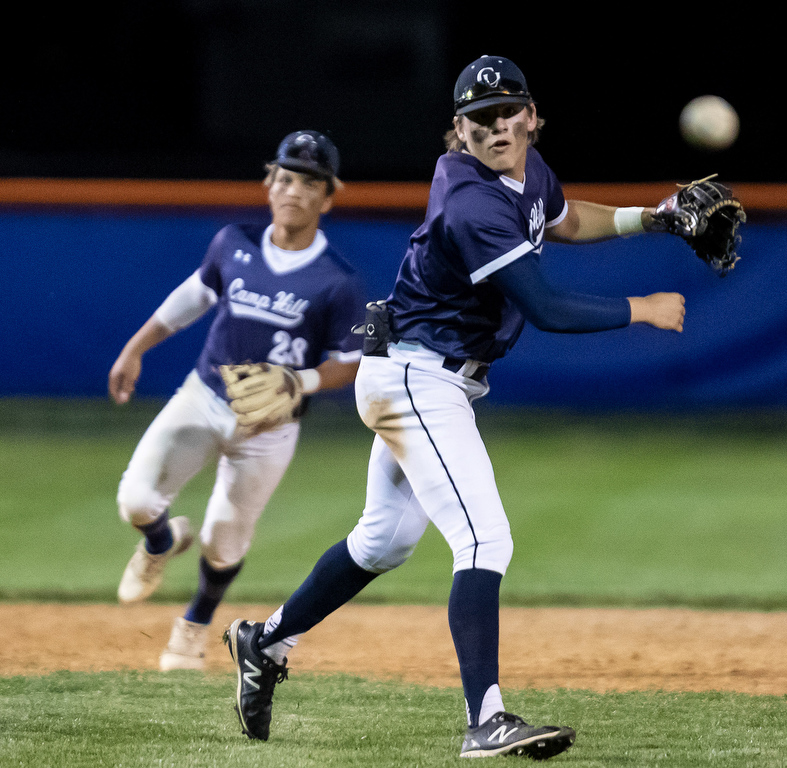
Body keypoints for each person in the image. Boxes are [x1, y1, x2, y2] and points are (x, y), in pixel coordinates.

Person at [224, 55, 693, 759]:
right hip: (417, 381)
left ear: (531, 116)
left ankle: (264, 643)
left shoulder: (526, 173)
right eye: (480, 119)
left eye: (507, 112)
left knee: (382, 542)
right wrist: (642, 307)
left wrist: (652, 220)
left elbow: (563, 221)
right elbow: (547, 307)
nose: (497, 126)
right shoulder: (471, 199)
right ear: (460, 131)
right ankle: (486, 720)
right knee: (484, 540)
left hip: (425, 376)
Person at [110, 130, 365, 672]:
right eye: (287, 177)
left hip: (270, 426)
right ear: (270, 183)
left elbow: (352, 361)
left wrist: (304, 383)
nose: (295, 190)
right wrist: (135, 349)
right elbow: (192, 298)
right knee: (135, 500)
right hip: (204, 397)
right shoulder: (233, 242)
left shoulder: (337, 280)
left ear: (328, 197)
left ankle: (193, 627)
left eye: (310, 183)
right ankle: (159, 542)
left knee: (224, 542)